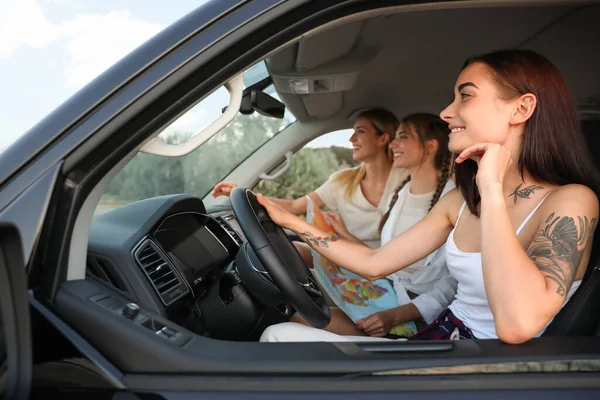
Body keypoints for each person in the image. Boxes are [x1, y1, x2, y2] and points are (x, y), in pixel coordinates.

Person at [258, 49, 600, 344]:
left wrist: (492, 188)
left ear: (521, 109)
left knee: (279, 337)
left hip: (487, 367)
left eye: (465, 96)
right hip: (441, 340)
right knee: (282, 331)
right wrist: (287, 220)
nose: (446, 112)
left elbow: (517, 325)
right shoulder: (461, 203)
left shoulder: (571, 201)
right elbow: (374, 265)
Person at [291, 113, 457, 337]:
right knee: (297, 301)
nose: (393, 144)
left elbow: (451, 286)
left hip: (411, 314)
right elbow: (383, 257)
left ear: (431, 146)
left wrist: (393, 317)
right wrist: (344, 233)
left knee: (299, 317)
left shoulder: (454, 202)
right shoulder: (400, 194)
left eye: (403, 137)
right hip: (384, 290)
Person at [213, 108, 408, 262]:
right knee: (287, 252)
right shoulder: (342, 181)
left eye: (361, 131)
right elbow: (295, 206)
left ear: (383, 138)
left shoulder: (408, 180)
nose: (351, 139)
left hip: (388, 269)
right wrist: (245, 194)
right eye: (353, 132)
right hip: (346, 259)